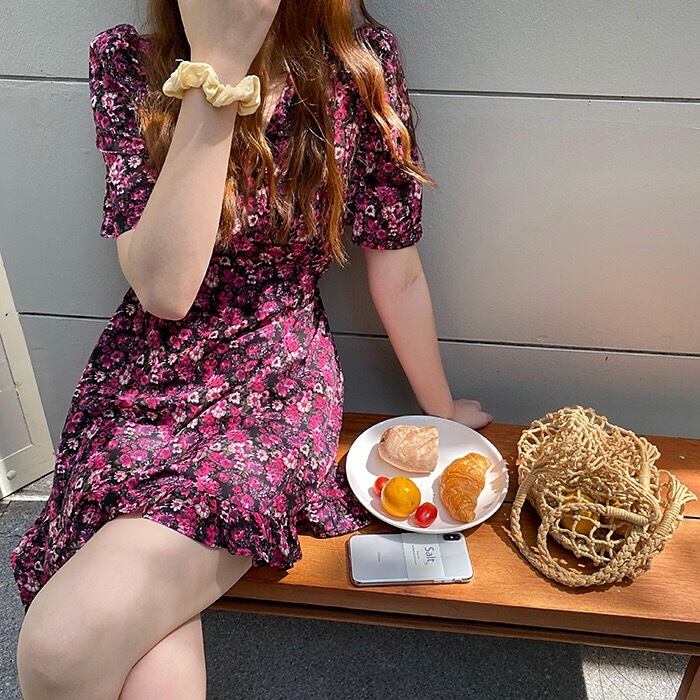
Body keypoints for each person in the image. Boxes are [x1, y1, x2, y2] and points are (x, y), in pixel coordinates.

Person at [10, 0, 493, 697]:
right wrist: (218, 67)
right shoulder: (127, 62)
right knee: (138, 653)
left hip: (273, 385)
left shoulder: (359, 66)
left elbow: (398, 270)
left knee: (61, 647)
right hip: (144, 374)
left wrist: (441, 412)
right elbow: (165, 291)